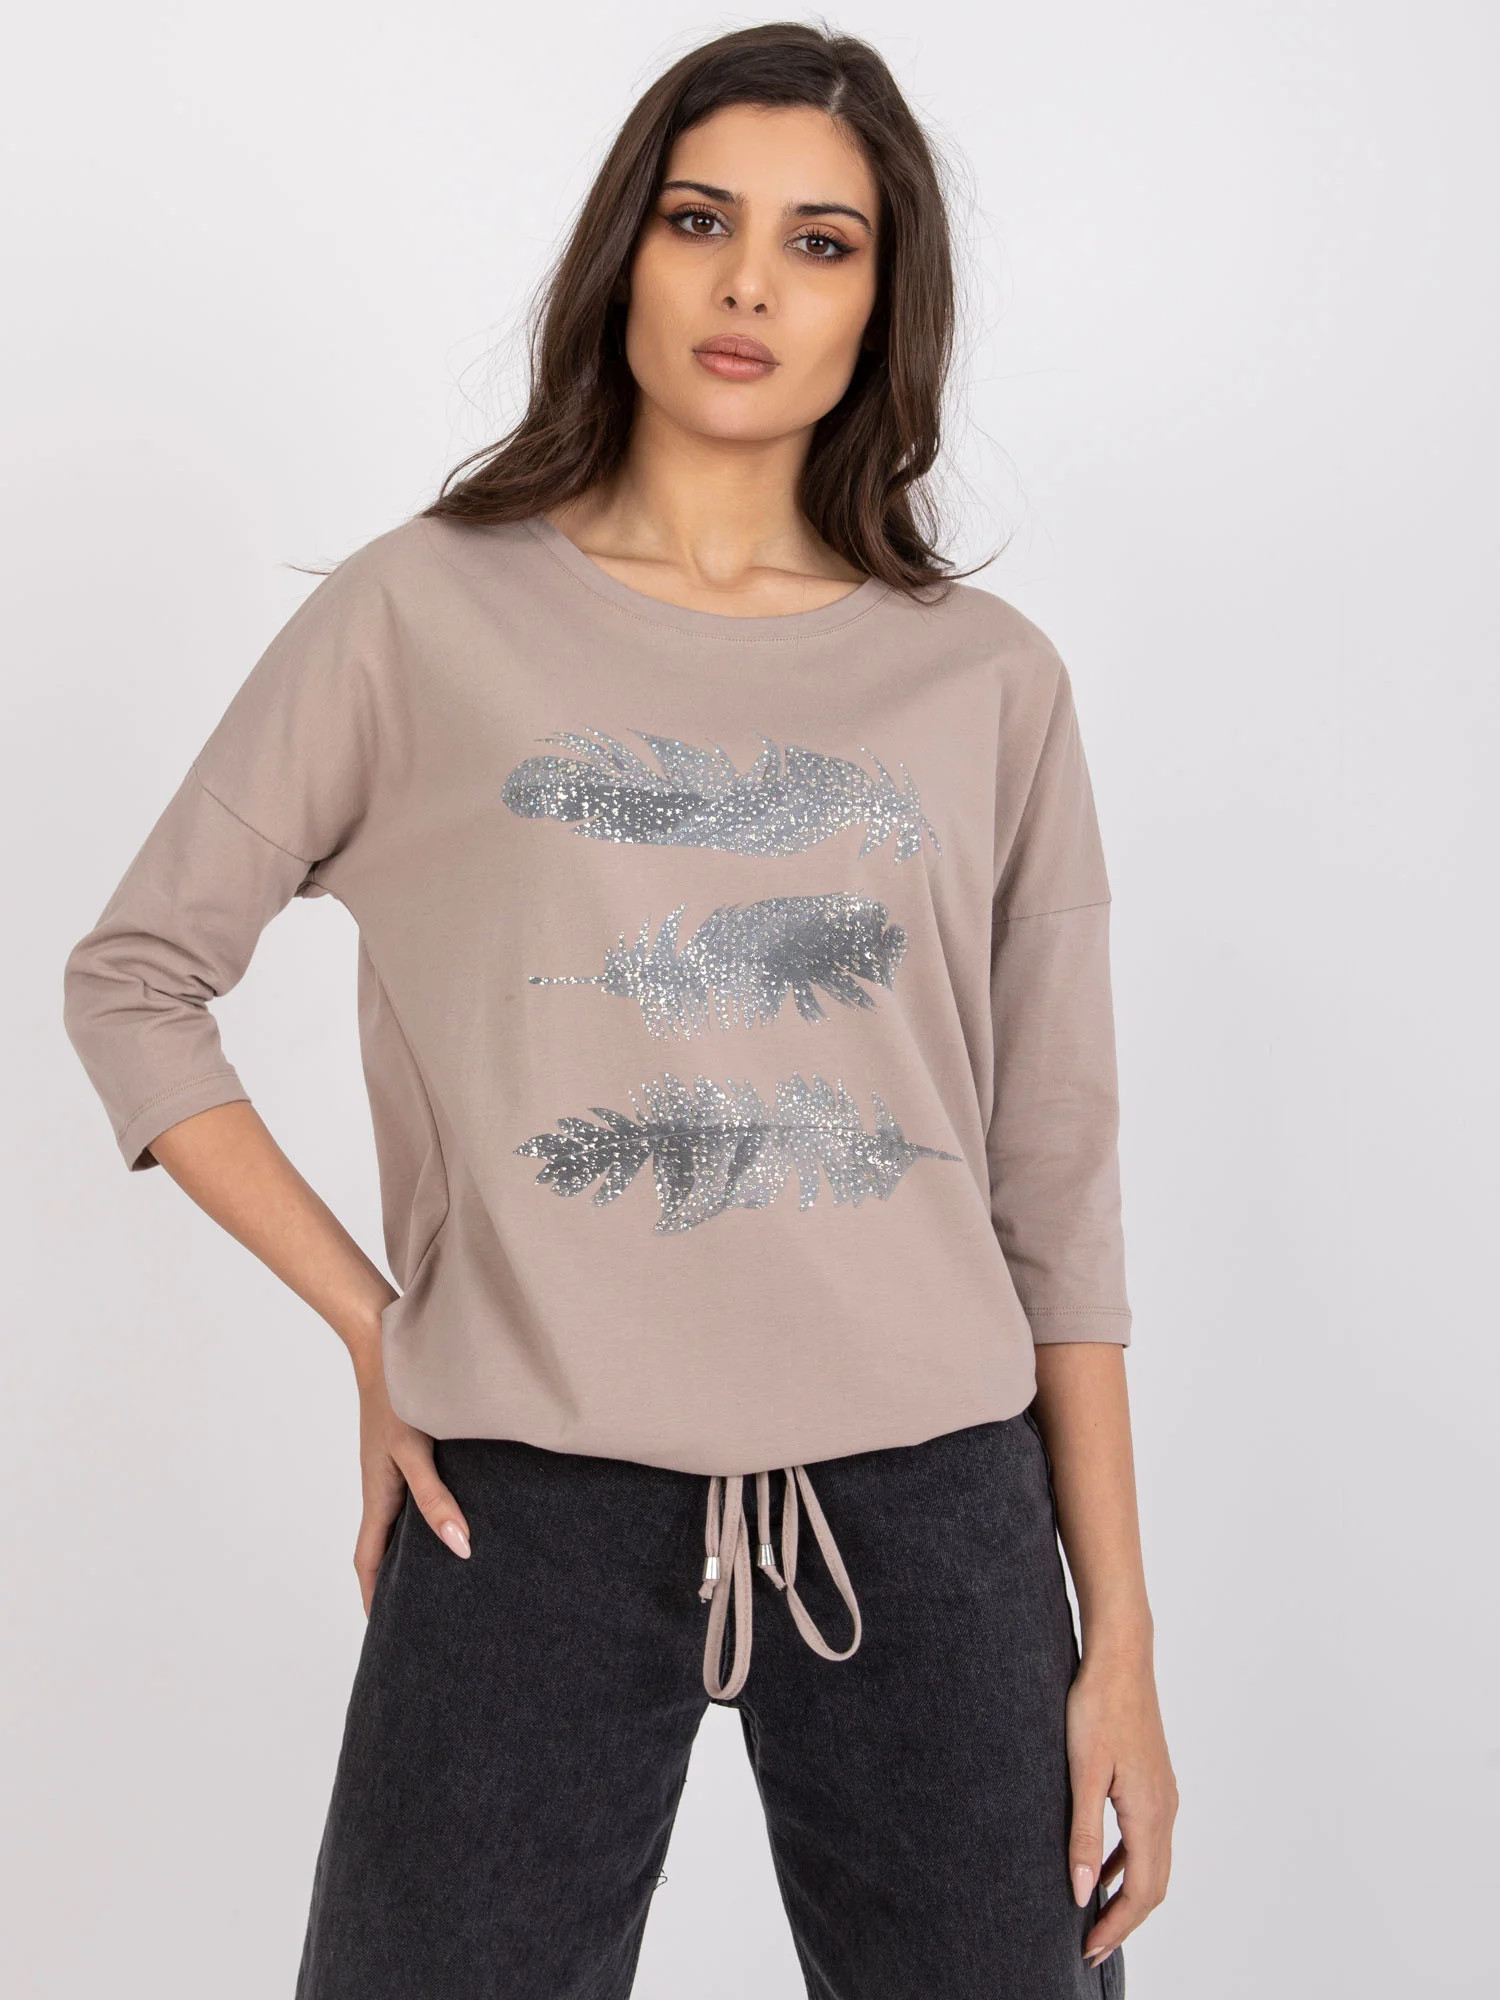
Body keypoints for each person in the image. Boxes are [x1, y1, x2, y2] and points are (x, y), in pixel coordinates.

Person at [61, 21, 1176, 1998]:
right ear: (625, 256)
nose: (751, 285)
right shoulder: (421, 614)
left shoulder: (989, 682)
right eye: (699, 221)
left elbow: (1056, 1181)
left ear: (882, 304)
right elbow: (137, 980)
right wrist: (374, 1326)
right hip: (525, 1509)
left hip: (938, 1512)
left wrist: (1124, 1644)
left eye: (820, 243)